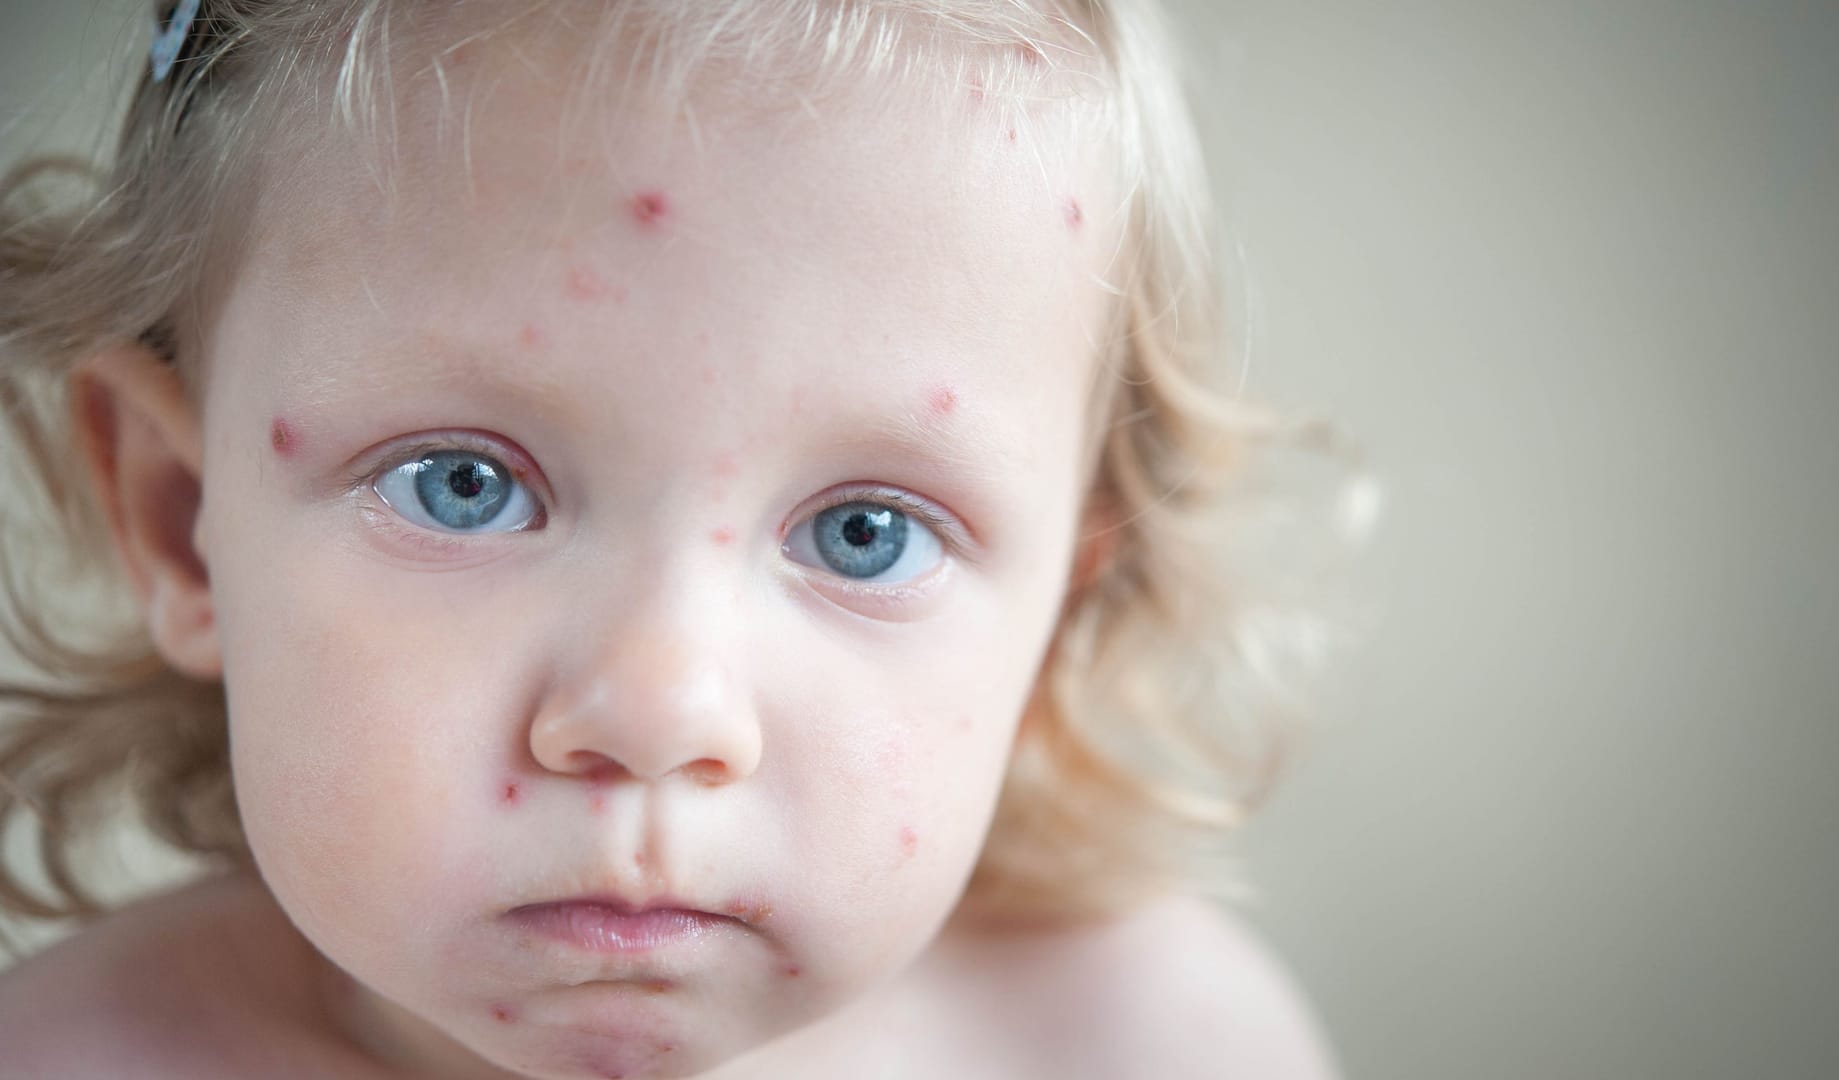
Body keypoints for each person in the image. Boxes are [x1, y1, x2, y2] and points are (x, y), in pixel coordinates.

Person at [0, 1, 1364, 1076]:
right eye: (461, 486)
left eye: (867, 533)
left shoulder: (1159, 1051)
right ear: (184, 528)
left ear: (1062, 606)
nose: (659, 711)